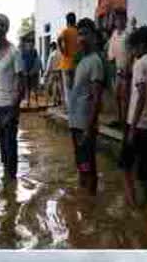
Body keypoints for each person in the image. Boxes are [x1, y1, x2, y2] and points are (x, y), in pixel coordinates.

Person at [119, 26, 147, 206]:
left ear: (141, 46)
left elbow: (141, 96)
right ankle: (146, 204)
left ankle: (132, 206)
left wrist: (132, 128)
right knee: (144, 169)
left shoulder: (140, 64)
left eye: (133, 47)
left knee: (126, 166)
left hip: (138, 125)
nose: (131, 51)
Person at [67, 18, 105, 195]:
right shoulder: (81, 61)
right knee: (81, 164)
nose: (81, 38)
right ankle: (84, 205)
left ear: (93, 37)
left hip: (85, 125)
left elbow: (97, 98)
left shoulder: (95, 61)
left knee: (89, 166)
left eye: (85, 34)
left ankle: (91, 204)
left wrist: (90, 127)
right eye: (79, 34)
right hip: (76, 122)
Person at [0, 13, 24, 181]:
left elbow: (21, 85)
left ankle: (12, 184)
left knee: (11, 147)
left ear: (6, 28)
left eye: (2, 25)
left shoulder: (14, 52)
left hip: (10, 106)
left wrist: (13, 110)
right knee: (3, 149)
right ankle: (7, 190)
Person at [107, 8, 131, 128]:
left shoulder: (128, 35)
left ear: (125, 20)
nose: (119, 21)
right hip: (117, 69)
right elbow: (111, 55)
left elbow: (131, 54)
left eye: (122, 19)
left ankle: (125, 120)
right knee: (116, 95)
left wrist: (128, 69)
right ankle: (119, 118)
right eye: (117, 19)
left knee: (125, 97)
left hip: (127, 70)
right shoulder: (114, 35)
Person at [57, 12, 79, 110]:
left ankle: (70, 107)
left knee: (68, 87)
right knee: (75, 85)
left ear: (67, 21)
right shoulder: (78, 31)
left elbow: (58, 40)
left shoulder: (66, 31)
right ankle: (75, 106)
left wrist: (63, 51)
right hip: (77, 63)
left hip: (66, 62)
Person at [20, 37, 42, 106]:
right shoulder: (24, 52)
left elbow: (37, 61)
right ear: (26, 44)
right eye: (28, 43)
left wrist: (34, 71)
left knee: (34, 88)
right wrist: (24, 72)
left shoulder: (34, 51)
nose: (30, 45)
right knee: (27, 88)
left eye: (31, 43)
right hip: (26, 73)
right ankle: (28, 101)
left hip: (33, 73)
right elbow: (22, 62)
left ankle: (36, 101)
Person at [44, 42, 62, 106]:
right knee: (59, 86)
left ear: (52, 47)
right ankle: (60, 99)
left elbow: (49, 65)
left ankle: (54, 101)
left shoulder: (52, 55)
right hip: (60, 72)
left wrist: (46, 73)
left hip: (53, 72)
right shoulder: (60, 53)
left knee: (53, 86)